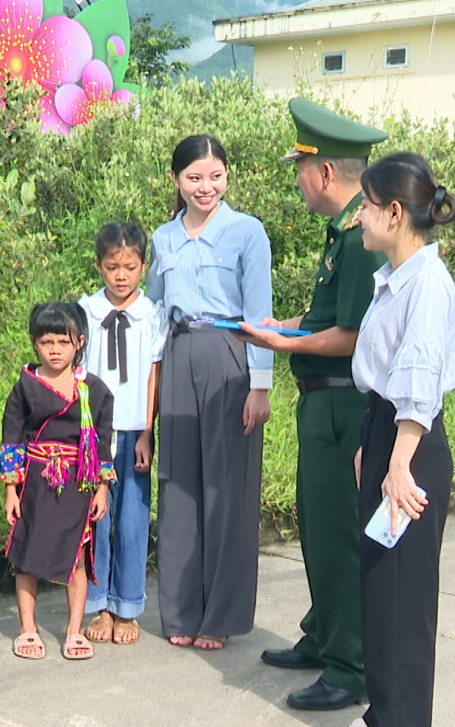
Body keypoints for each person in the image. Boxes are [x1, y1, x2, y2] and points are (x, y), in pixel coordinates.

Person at [237, 98, 387, 711]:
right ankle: (324, 635)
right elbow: (332, 319)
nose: (297, 179)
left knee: (337, 537)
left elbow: (355, 337)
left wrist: (281, 340)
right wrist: (289, 327)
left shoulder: (360, 239)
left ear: (325, 172)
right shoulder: (344, 233)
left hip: (345, 406)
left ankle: (348, 669)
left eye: (300, 167)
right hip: (322, 404)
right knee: (318, 531)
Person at [336, 152, 455, 727]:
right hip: (388, 433)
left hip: (412, 441)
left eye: (364, 204)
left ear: (393, 211)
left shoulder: (428, 283)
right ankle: (383, 715)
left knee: (405, 596)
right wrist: (373, 444)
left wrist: (398, 462)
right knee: (381, 589)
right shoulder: (398, 276)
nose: (357, 215)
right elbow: (388, 377)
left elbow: (419, 380)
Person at [147, 134, 273, 650]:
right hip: (177, 354)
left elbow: (260, 312)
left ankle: (219, 614)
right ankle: (179, 612)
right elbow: (152, 312)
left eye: (215, 176)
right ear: (176, 180)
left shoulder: (247, 232)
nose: (206, 187)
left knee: (227, 490)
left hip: (230, 357)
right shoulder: (162, 238)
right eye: (194, 177)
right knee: (177, 485)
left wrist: (259, 384)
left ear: (228, 175)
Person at [0, 303, 116, 661]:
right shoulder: (25, 387)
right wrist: (10, 490)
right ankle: (28, 628)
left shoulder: (93, 390)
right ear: (34, 343)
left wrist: (102, 488)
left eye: (63, 342)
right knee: (27, 557)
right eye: (46, 341)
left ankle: (74, 630)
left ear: (79, 342)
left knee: (77, 555)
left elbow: (102, 440)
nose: (54, 350)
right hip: (35, 483)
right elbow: (12, 440)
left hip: (78, 484)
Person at [78, 223, 168, 646]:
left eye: (129, 267)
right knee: (97, 517)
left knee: (132, 519)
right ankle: (99, 604)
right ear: (99, 266)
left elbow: (153, 376)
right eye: (112, 267)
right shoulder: (86, 312)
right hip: (96, 434)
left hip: (134, 432)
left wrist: (148, 432)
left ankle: (128, 605)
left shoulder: (152, 315)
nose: (121, 275)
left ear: (142, 266)